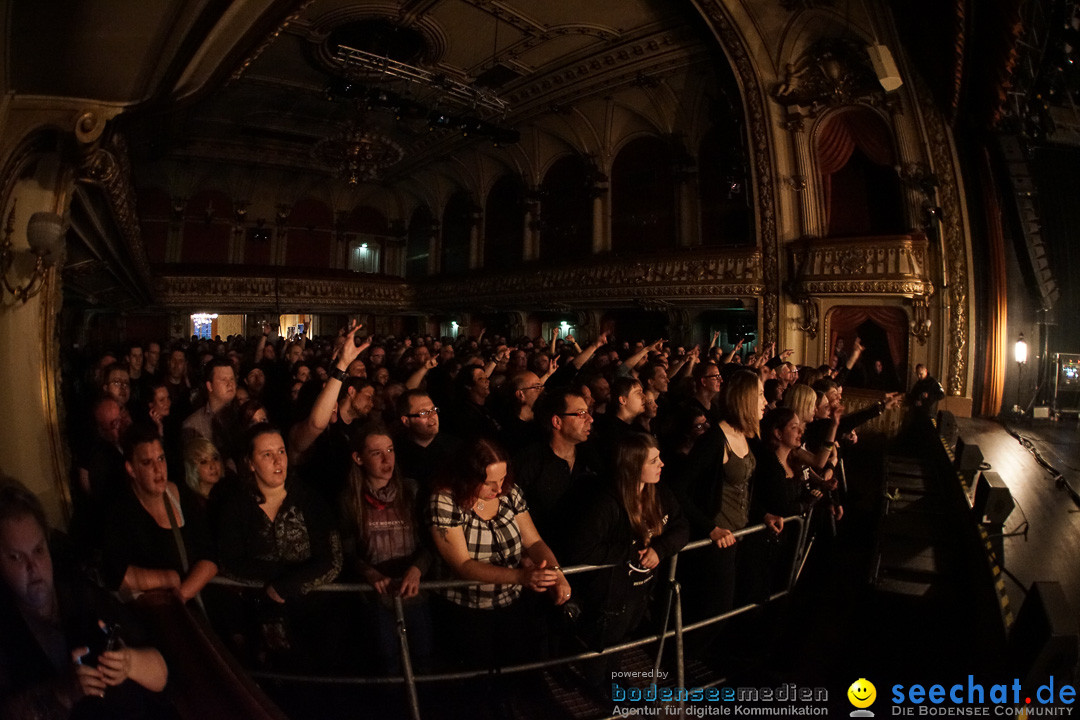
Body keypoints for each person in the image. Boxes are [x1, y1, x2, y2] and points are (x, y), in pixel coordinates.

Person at [0, 477, 170, 719]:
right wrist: (61, 693)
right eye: (16, 557)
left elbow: (162, 673)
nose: (33, 566)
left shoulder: (81, 594)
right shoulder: (7, 629)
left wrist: (130, 663)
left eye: (38, 550)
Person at [427, 438, 571, 670]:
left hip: (509, 602)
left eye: (502, 478)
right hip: (468, 609)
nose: (498, 488)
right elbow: (463, 565)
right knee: (477, 680)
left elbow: (533, 541)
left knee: (514, 671)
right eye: (488, 482)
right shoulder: (445, 500)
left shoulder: (509, 493)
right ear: (467, 477)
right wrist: (521, 577)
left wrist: (557, 573)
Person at [214, 424, 342, 664]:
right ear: (250, 463)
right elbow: (229, 561)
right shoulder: (236, 507)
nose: (277, 461)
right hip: (260, 620)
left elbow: (332, 559)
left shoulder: (310, 500)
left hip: (314, 617)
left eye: (281, 452)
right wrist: (277, 580)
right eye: (267, 454)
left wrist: (286, 586)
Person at [565, 434, 688, 652]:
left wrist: (659, 549)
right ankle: (599, 684)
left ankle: (612, 678)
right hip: (610, 596)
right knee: (602, 651)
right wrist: (631, 551)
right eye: (653, 461)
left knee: (622, 643)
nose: (662, 464)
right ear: (633, 466)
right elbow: (580, 549)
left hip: (640, 591)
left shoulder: (659, 493)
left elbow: (682, 527)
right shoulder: (606, 503)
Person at [339, 424, 433, 673]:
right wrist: (369, 572)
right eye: (376, 453)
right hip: (377, 599)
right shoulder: (350, 500)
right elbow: (346, 552)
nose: (386, 459)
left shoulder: (411, 491)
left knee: (423, 657)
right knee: (387, 660)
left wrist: (417, 568)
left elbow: (431, 542)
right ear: (358, 458)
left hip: (415, 594)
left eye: (390, 450)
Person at [675, 369, 766, 623]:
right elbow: (678, 487)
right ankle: (681, 660)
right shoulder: (715, 439)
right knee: (716, 609)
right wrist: (710, 528)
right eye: (760, 394)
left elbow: (744, 487)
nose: (765, 401)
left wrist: (763, 514)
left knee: (737, 604)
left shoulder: (745, 435)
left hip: (740, 534)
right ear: (745, 399)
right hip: (718, 542)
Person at [102, 426, 218, 605]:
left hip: (197, 600)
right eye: (147, 463)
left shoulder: (182, 495)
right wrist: (166, 578)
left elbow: (210, 556)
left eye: (161, 459)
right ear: (131, 469)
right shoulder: (121, 512)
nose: (158, 469)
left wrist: (182, 594)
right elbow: (114, 574)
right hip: (156, 612)